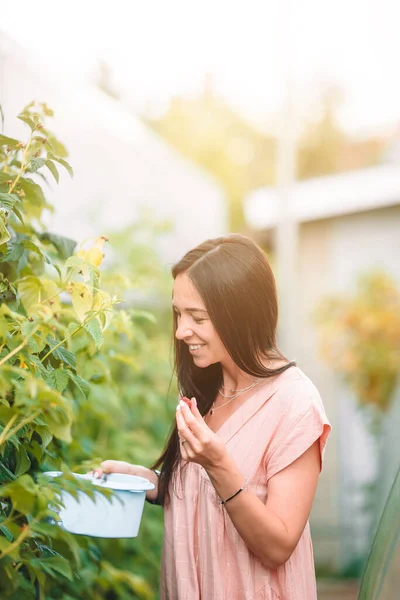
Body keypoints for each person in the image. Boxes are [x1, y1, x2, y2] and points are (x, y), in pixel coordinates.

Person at [96, 234, 331, 600]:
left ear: (241, 315)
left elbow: (278, 546)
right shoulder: (209, 387)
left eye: (197, 317)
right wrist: (149, 482)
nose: (180, 331)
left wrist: (219, 463)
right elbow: (203, 492)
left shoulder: (295, 404)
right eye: (178, 313)